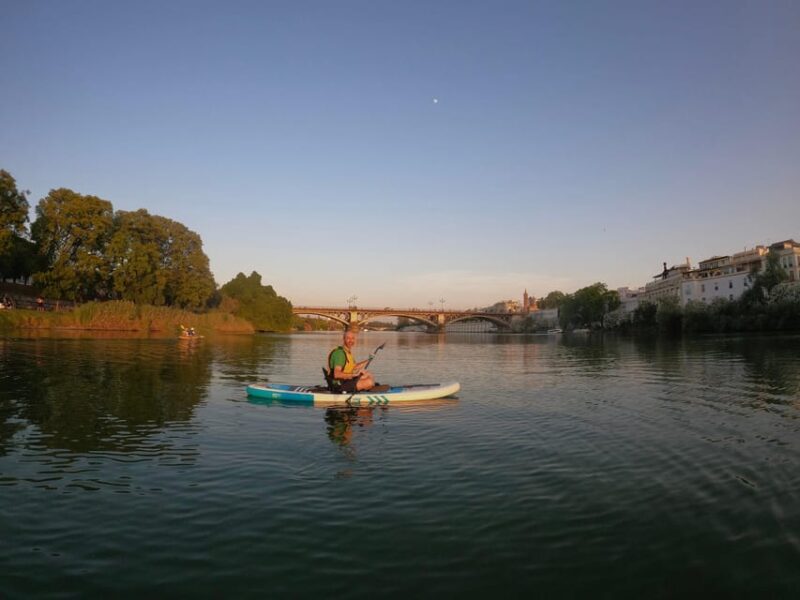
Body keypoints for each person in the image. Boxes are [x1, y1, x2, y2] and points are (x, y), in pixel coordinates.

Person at [326, 328, 375, 393]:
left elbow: (355, 367)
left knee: (368, 374)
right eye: (348, 338)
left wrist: (369, 359)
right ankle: (364, 389)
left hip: (345, 381)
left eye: (352, 338)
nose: (350, 340)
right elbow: (337, 374)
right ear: (344, 339)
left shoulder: (347, 352)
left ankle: (364, 389)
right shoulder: (340, 354)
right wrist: (354, 375)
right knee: (369, 382)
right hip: (338, 384)